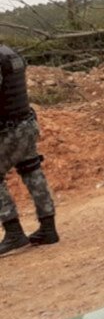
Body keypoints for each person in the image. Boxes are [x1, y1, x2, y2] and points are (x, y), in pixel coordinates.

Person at [0, 44, 59, 255]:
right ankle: (48, 228)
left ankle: (14, 233)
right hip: (26, 124)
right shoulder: (10, 53)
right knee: (31, 170)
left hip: (8, 131)